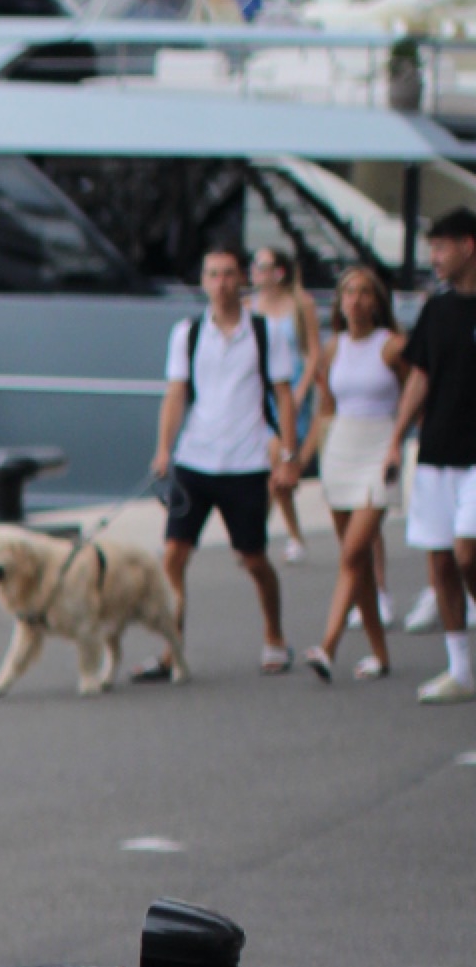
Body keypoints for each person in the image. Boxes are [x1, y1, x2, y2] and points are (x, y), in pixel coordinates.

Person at [148, 242, 300, 675]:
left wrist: (288, 455)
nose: (220, 283)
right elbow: (176, 393)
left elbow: (284, 395)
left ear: (243, 279)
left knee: (252, 559)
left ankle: (274, 635)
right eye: (212, 274)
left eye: (229, 273)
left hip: (247, 461)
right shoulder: (188, 333)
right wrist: (164, 448)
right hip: (195, 459)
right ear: (203, 281)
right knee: (174, 556)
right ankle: (171, 650)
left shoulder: (266, 333)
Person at [379, 207, 476, 706]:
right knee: (440, 562)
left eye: (440, 247)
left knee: (468, 552)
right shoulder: (437, 311)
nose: (433, 258)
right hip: (437, 449)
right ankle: (460, 670)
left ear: (468, 246)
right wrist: (397, 436)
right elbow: (420, 375)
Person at [297, 263, 404, 683]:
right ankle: (380, 653)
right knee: (354, 561)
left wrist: (400, 442)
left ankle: (328, 644)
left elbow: (415, 398)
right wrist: (301, 458)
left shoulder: (393, 346)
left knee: (353, 553)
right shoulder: (333, 346)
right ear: (339, 302)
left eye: (364, 292)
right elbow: (325, 409)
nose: (356, 300)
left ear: (377, 301)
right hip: (340, 450)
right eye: (348, 293)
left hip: (379, 451)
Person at [249, 242, 319, 555]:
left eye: (263, 266)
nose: (256, 272)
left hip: (291, 393)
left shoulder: (300, 303)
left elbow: (313, 352)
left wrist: (302, 390)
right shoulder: (251, 307)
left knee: (277, 461)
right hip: (262, 396)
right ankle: (286, 535)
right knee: (272, 468)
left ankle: (256, 534)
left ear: (278, 273)